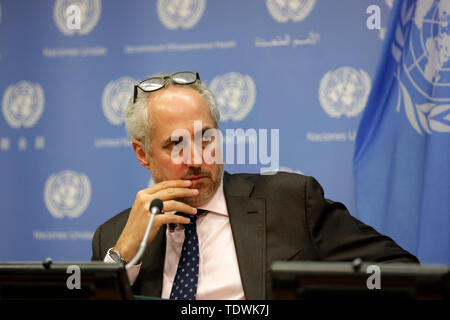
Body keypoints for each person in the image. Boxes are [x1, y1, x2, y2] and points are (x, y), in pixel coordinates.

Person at [91, 71, 418, 300]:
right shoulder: (113, 237)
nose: (195, 157)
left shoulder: (291, 201)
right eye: (175, 143)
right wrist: (122, 258)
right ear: (142, 153)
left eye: (206, 137)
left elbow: (400, 272)